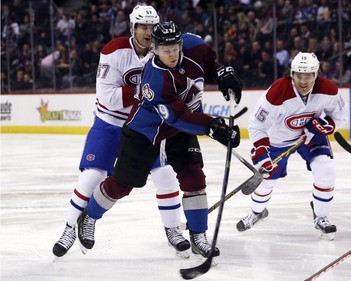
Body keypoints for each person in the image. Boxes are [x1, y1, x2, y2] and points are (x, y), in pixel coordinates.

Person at [76, 21, 242, 259]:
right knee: (122, 184)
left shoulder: (194, 46)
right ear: (154, 49)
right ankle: (89, 215)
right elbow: (178, 116)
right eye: (166, 50)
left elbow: (209, 63)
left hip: (179, 131)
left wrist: (222, 72)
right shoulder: (154, 79)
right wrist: (213, 126)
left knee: (194, 176)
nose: (172, 54)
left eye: (175, 48)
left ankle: (198, 236)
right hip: (146, 132)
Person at [53, 6, 191, 258]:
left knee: (165, 175)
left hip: (144, 127)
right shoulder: (114, 50)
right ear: (133, 28)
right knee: (92, 175)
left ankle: (173, 230)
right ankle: (70, 228)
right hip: (109, 123)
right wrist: (147, 91)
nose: (149, 32)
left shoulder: (161, 52)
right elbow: (109, 98)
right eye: (143, 27)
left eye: (152, 27)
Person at [237, 52, 347, 240]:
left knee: (326, 170)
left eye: (308, 76)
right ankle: (257, 212)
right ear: (292, 74)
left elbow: (340, 115)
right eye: (298, 76)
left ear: (316, 74)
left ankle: (321, 216)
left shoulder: (327, 89)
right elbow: (257, 124)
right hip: (278, 141)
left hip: (311, 137)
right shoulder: (278, 91)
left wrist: (324, 125)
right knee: (265, 181)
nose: (303, 81)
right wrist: (263, 153)